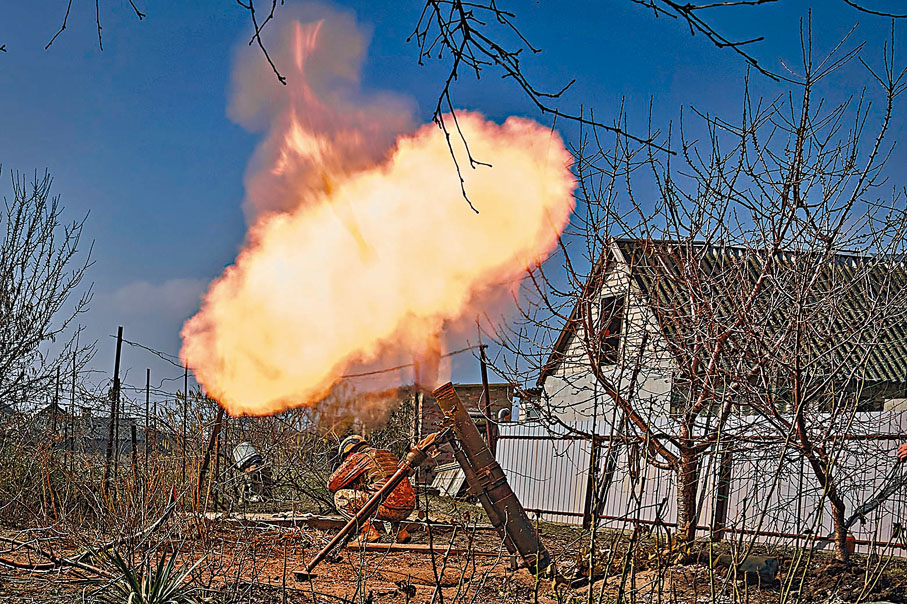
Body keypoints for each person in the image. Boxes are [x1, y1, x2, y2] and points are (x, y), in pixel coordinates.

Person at [328, 434, 415, 542]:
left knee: (340, 497)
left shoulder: (358, 457)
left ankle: (367, 532)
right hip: (408, 507)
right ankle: (401, 533)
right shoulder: (387, 454)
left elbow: (332, 484)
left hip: (387, 507)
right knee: (384, 492)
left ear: (349, 450)